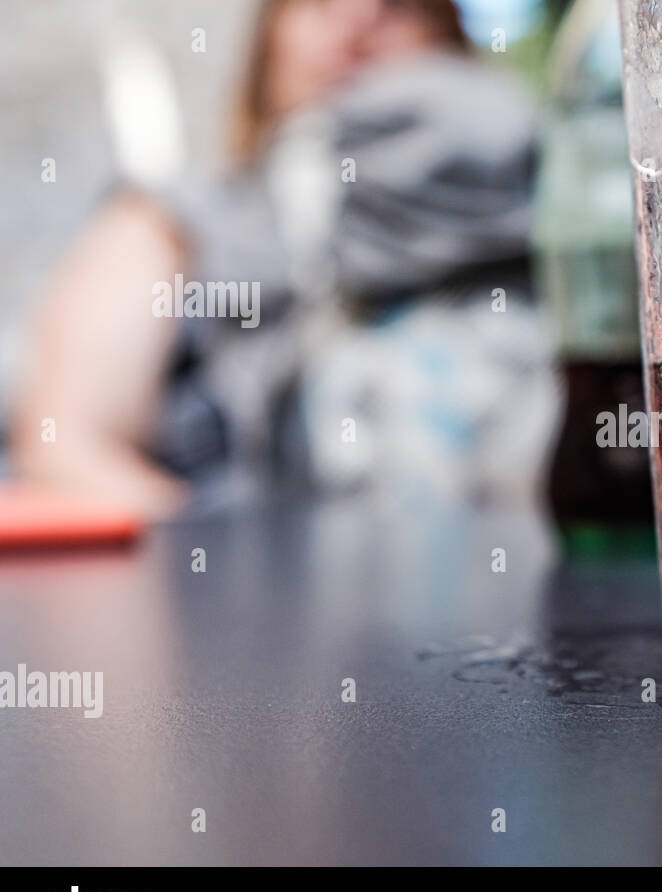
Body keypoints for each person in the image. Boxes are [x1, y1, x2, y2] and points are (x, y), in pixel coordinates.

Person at [8, 0, 547, 518]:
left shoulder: (533, 234)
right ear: (267, 44)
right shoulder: (172, 224)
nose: (356, 20)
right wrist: (232, 570)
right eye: (315, 1)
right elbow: (66, 451)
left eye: (400, 4)